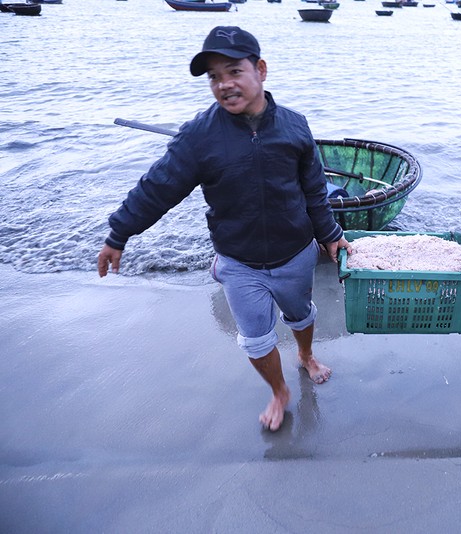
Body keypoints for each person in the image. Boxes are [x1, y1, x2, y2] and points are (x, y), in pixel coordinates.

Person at [97, 26, 350, 431]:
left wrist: (331, 234)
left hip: (295, 252)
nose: (224, 84)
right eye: (214, 77)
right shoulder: (199, 137)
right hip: (238, 261)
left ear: (261, 70)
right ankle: (279, 390)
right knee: (255, 339)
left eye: (233, 71)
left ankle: (306, 354)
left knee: (300, 314)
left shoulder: (295, 127)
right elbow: (158, 186)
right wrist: (118, 233)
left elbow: (314, 190)